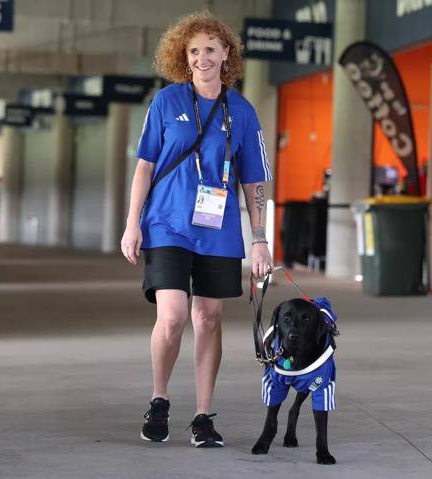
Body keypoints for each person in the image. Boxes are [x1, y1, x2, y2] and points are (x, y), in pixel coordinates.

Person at [120, 12, 273, 448]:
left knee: (208, 317)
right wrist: (132, 224)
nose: (202, 58)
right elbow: (145, 165)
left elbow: (254, 180)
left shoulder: (242, 112)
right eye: (193, 51)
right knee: (171, 317)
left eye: (210, 49)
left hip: (217, 228)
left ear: (226, 54)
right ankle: (159, 399)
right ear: (182, 58)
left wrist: (259, 240)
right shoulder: (167, 102)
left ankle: (204, 415)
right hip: (166, 224)